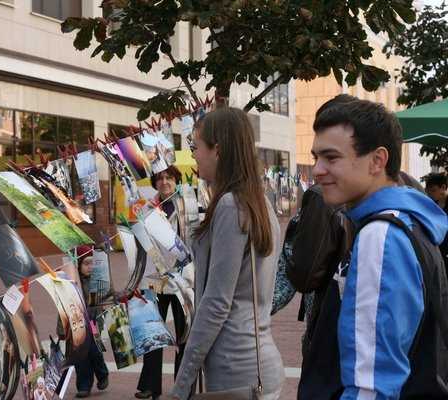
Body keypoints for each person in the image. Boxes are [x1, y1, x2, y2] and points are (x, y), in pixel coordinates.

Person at [299, 97, 448, 399]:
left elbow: (371, 384)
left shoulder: (381, 235)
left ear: (377, 160)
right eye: (316, 157)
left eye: (331, 158)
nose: (317, 170)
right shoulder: (402, 222)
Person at [166, 107, 285, 400]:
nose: (193, 155)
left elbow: (217, 302)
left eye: (196, 147)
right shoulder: (261, 203)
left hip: (236, 370)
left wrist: (181, 386)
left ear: (217, 150)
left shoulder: (231, 206)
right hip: (258, 362)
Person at [136, 165, 196, 399]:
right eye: (160, 179)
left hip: (183, 278)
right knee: (153, 333)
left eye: (169, 177)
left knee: (184, 334)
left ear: (176, 180)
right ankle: (150, 385)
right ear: (155, 183)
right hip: (155, 278)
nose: (164, 182)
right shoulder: (146, 208)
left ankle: (182, 386)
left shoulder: (188, 205)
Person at [73, 245, 109, 398]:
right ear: (78, 265)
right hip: (78, 325)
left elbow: (104, 300)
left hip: (94, 323)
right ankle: (84, 385)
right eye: (86, 264)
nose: (90, 267)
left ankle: (102, 374)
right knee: (81, 356)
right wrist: (61, 329)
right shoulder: (72, 282)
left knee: (95, 352)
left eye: (92, 263)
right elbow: (65, 306)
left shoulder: (97, 280)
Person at [425, 172, 448, 266]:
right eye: (428, 191)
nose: (430, 194)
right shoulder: (431, 205)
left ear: (443, 187)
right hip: (437, 252)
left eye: (433, 190)